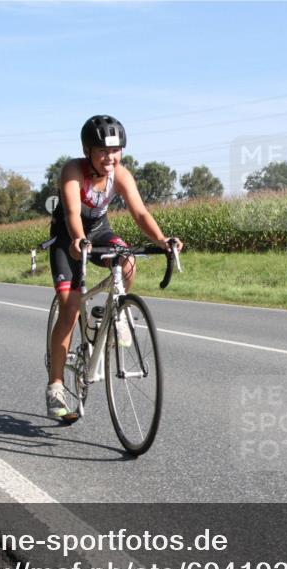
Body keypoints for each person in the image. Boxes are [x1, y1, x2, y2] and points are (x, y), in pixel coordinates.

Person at [45, 115, 183, 420]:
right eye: (103, 151)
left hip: (99, 232)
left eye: (116, 151)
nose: (110, 158)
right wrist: (78, 240)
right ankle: (55, 387)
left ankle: (115, 312)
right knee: (69, 310)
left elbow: (140, 212)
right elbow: (71, 212)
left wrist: (161, 240)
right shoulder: (72, 170)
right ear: (87, 151)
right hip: (69, 237)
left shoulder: (120, 174)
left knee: (128, 262)